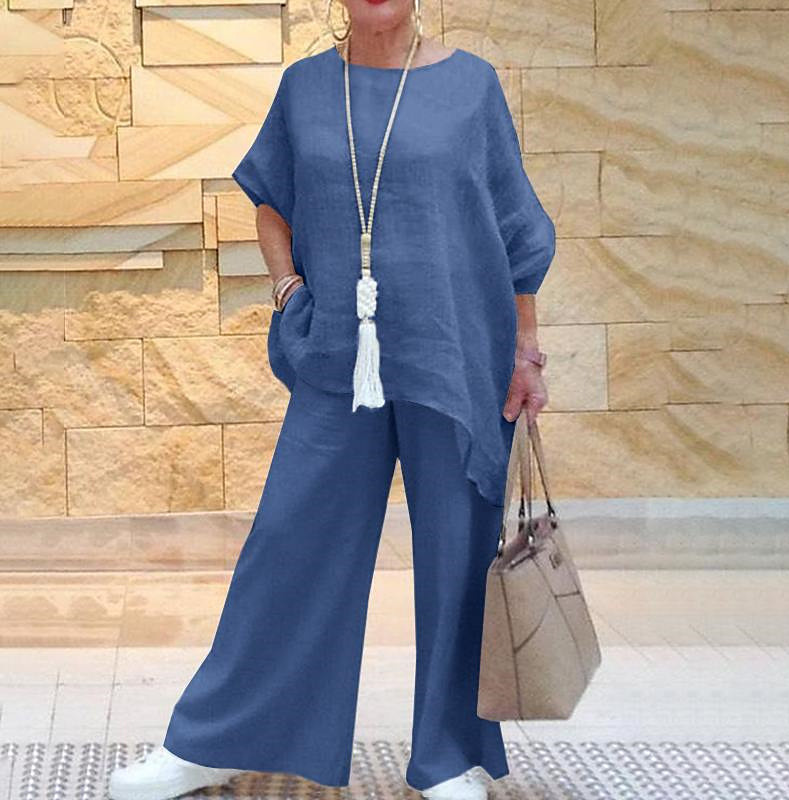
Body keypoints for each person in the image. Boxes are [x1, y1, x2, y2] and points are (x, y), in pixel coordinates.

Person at [108, 1, 555, 798]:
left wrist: (525, 350)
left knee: (457, 553)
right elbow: (270, 202)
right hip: (340, 357)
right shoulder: (307, 88)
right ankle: (217, 740)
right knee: (289, 544)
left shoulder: (472, 87)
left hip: (455, 352)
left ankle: (448, 756)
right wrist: (288, 292)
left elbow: (515, 227)